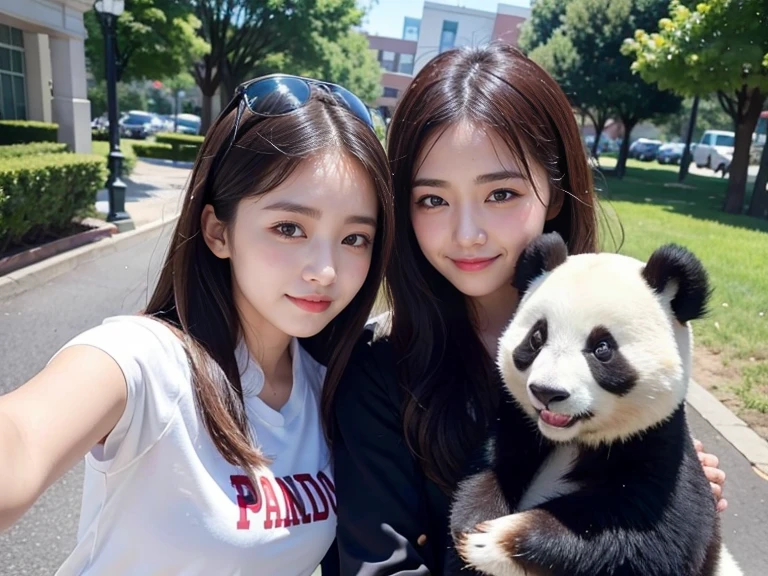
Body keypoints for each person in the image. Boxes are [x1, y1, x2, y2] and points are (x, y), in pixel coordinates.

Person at [331, 43, 727, 575]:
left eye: (501, 194)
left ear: (555, 190)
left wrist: (675, 496)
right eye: (433, 200)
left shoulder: (633, 335)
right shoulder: (379, 371)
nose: (468, 233)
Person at [0, 74, 393, 575]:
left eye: (355, 238)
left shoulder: (330, 387)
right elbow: (20, 439)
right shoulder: (147, 362)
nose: (325, 270)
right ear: (217, 231)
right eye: (289, 228)